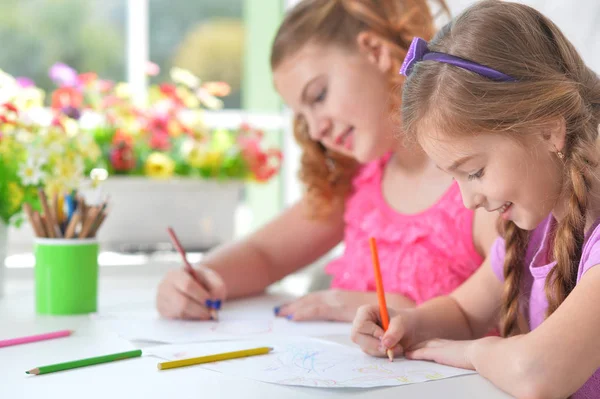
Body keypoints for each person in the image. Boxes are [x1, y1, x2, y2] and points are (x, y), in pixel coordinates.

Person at [156, 0, 497, 323]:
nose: (317, 129)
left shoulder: (480, 182)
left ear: (376, 52)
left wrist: (386, 307)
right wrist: (202, 278)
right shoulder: (360, 183)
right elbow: (264, 254)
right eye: (303, 117)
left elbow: (513, 307)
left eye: (318, 96)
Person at [351, 1, 600, 397]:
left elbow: (538, 374)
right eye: (454, 179)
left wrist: (472, 352)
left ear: (549, 131)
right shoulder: (533, 229)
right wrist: (406, 324)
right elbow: (465, 312)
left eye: (475, 172)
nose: (467, 202)